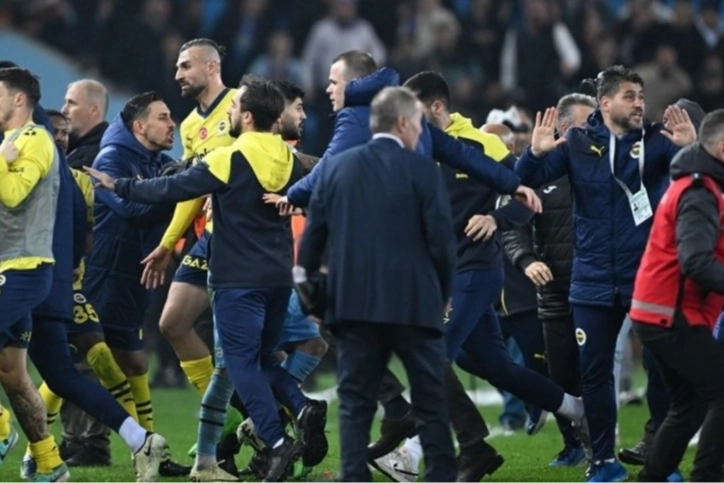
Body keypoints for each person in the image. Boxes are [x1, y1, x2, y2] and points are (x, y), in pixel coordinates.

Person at [87, 79, 328, 483]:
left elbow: (170, 188)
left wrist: (119, 184)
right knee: (264, 360)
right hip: (277, 277)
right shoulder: (288, 159)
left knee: (240, 363)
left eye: (234, 107)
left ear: (246, 116)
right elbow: (314, 186)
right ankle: (301, 406)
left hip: (238, 280)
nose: (229, 112)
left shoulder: (227, 157)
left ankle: (275, 440)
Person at [515, 65, 697, 482]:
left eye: (641, 96)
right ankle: (602, 462)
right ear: (605, 102)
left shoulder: (658, 140)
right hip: (592, 279)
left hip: (646, 276)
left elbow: (702, 181)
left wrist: (692, 151)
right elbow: (523, 184)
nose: (639, 104)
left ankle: (663, 461)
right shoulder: (577, 144)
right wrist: (534, 154)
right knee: (594, 374)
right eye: (630, 96)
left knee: (661, 365)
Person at [297, 85, 457, 482]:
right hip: (414, 301)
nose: (420, 132)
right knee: (430, 399)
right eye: (418, 124)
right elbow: (442, 243)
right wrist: (441, 294)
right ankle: (440, 474)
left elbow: (311, 242)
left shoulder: (336, 168)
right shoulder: (423, 170)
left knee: (356, 402)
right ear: (402, 122)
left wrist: (314, 298)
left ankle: (355, 476)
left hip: (353, 303)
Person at [83, 91, 188, 476]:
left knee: (133, 361)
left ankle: (150, 449)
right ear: (140, 126)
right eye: (163, 117)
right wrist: (175, 189)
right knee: (76, 361)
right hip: (110, 272)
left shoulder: (157, 162)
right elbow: (132, 209)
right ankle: (38, 448)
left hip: (138, 273)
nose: (172, 123)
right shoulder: (111, 159)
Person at [493, 93, 597, 467]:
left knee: (598, 370)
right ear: (565, 129)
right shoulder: (539, 174)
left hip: (598, 289)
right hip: (553, 291)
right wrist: (527, 260)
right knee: (561, 374)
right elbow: (511, 225)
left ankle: (602, 449)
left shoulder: (603, 167)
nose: (595, 130)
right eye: (588, 124)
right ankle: (574, 445)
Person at [629, 109, 724, 483]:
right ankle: (706, 476)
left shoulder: (700, 185)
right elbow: (696, 261)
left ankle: (653, 477)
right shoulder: (700, 191)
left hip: (660, 311)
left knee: (690, 405)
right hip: (672, 313)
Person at [0, 65, 69, 482]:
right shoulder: (8, 144)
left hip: (25, 268)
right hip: (8, 267)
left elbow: (12, 194)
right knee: (13, 373)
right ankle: (49, 462)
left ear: (18, 99)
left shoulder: (36, 140)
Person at [61, 79, 109, 169]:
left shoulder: (100, 155)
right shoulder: (66, 144)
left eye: (72, 103)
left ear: (93, 111)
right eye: (65, 102)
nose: (63, 110)